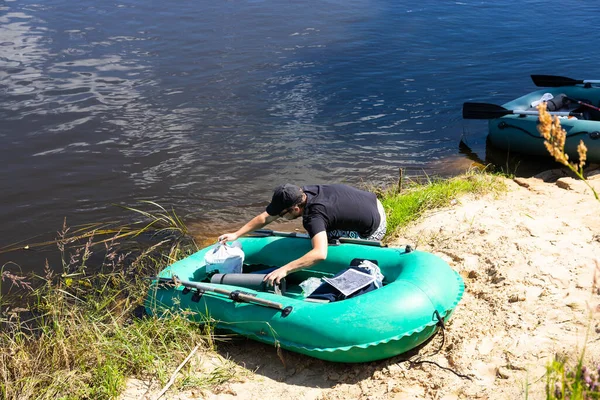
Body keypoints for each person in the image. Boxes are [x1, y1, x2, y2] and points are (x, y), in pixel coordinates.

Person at [218, 183, 387, 286]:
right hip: (374, 204)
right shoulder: (302, 193)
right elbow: (265, 217)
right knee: (317, 233)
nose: (281, 218)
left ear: (296, 209)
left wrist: (285, 269)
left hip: (375, 227)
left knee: (321, 240)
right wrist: (236, 234)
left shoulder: (313, 216)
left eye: (283, 214)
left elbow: (320, 253)